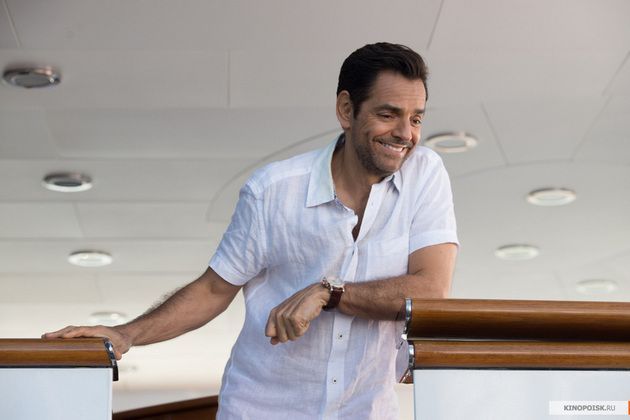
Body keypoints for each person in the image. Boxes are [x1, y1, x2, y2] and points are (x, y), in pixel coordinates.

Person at [43, 42, 459, 419]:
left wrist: (329, 292)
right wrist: (125, 334)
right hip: (263, 409)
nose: (405, 134)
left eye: (416, 118)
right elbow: (213, 289)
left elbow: (431, 291)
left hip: (366, 410)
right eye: (388, 114)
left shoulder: (425, 174)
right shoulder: (272, 191)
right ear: (346, 110)